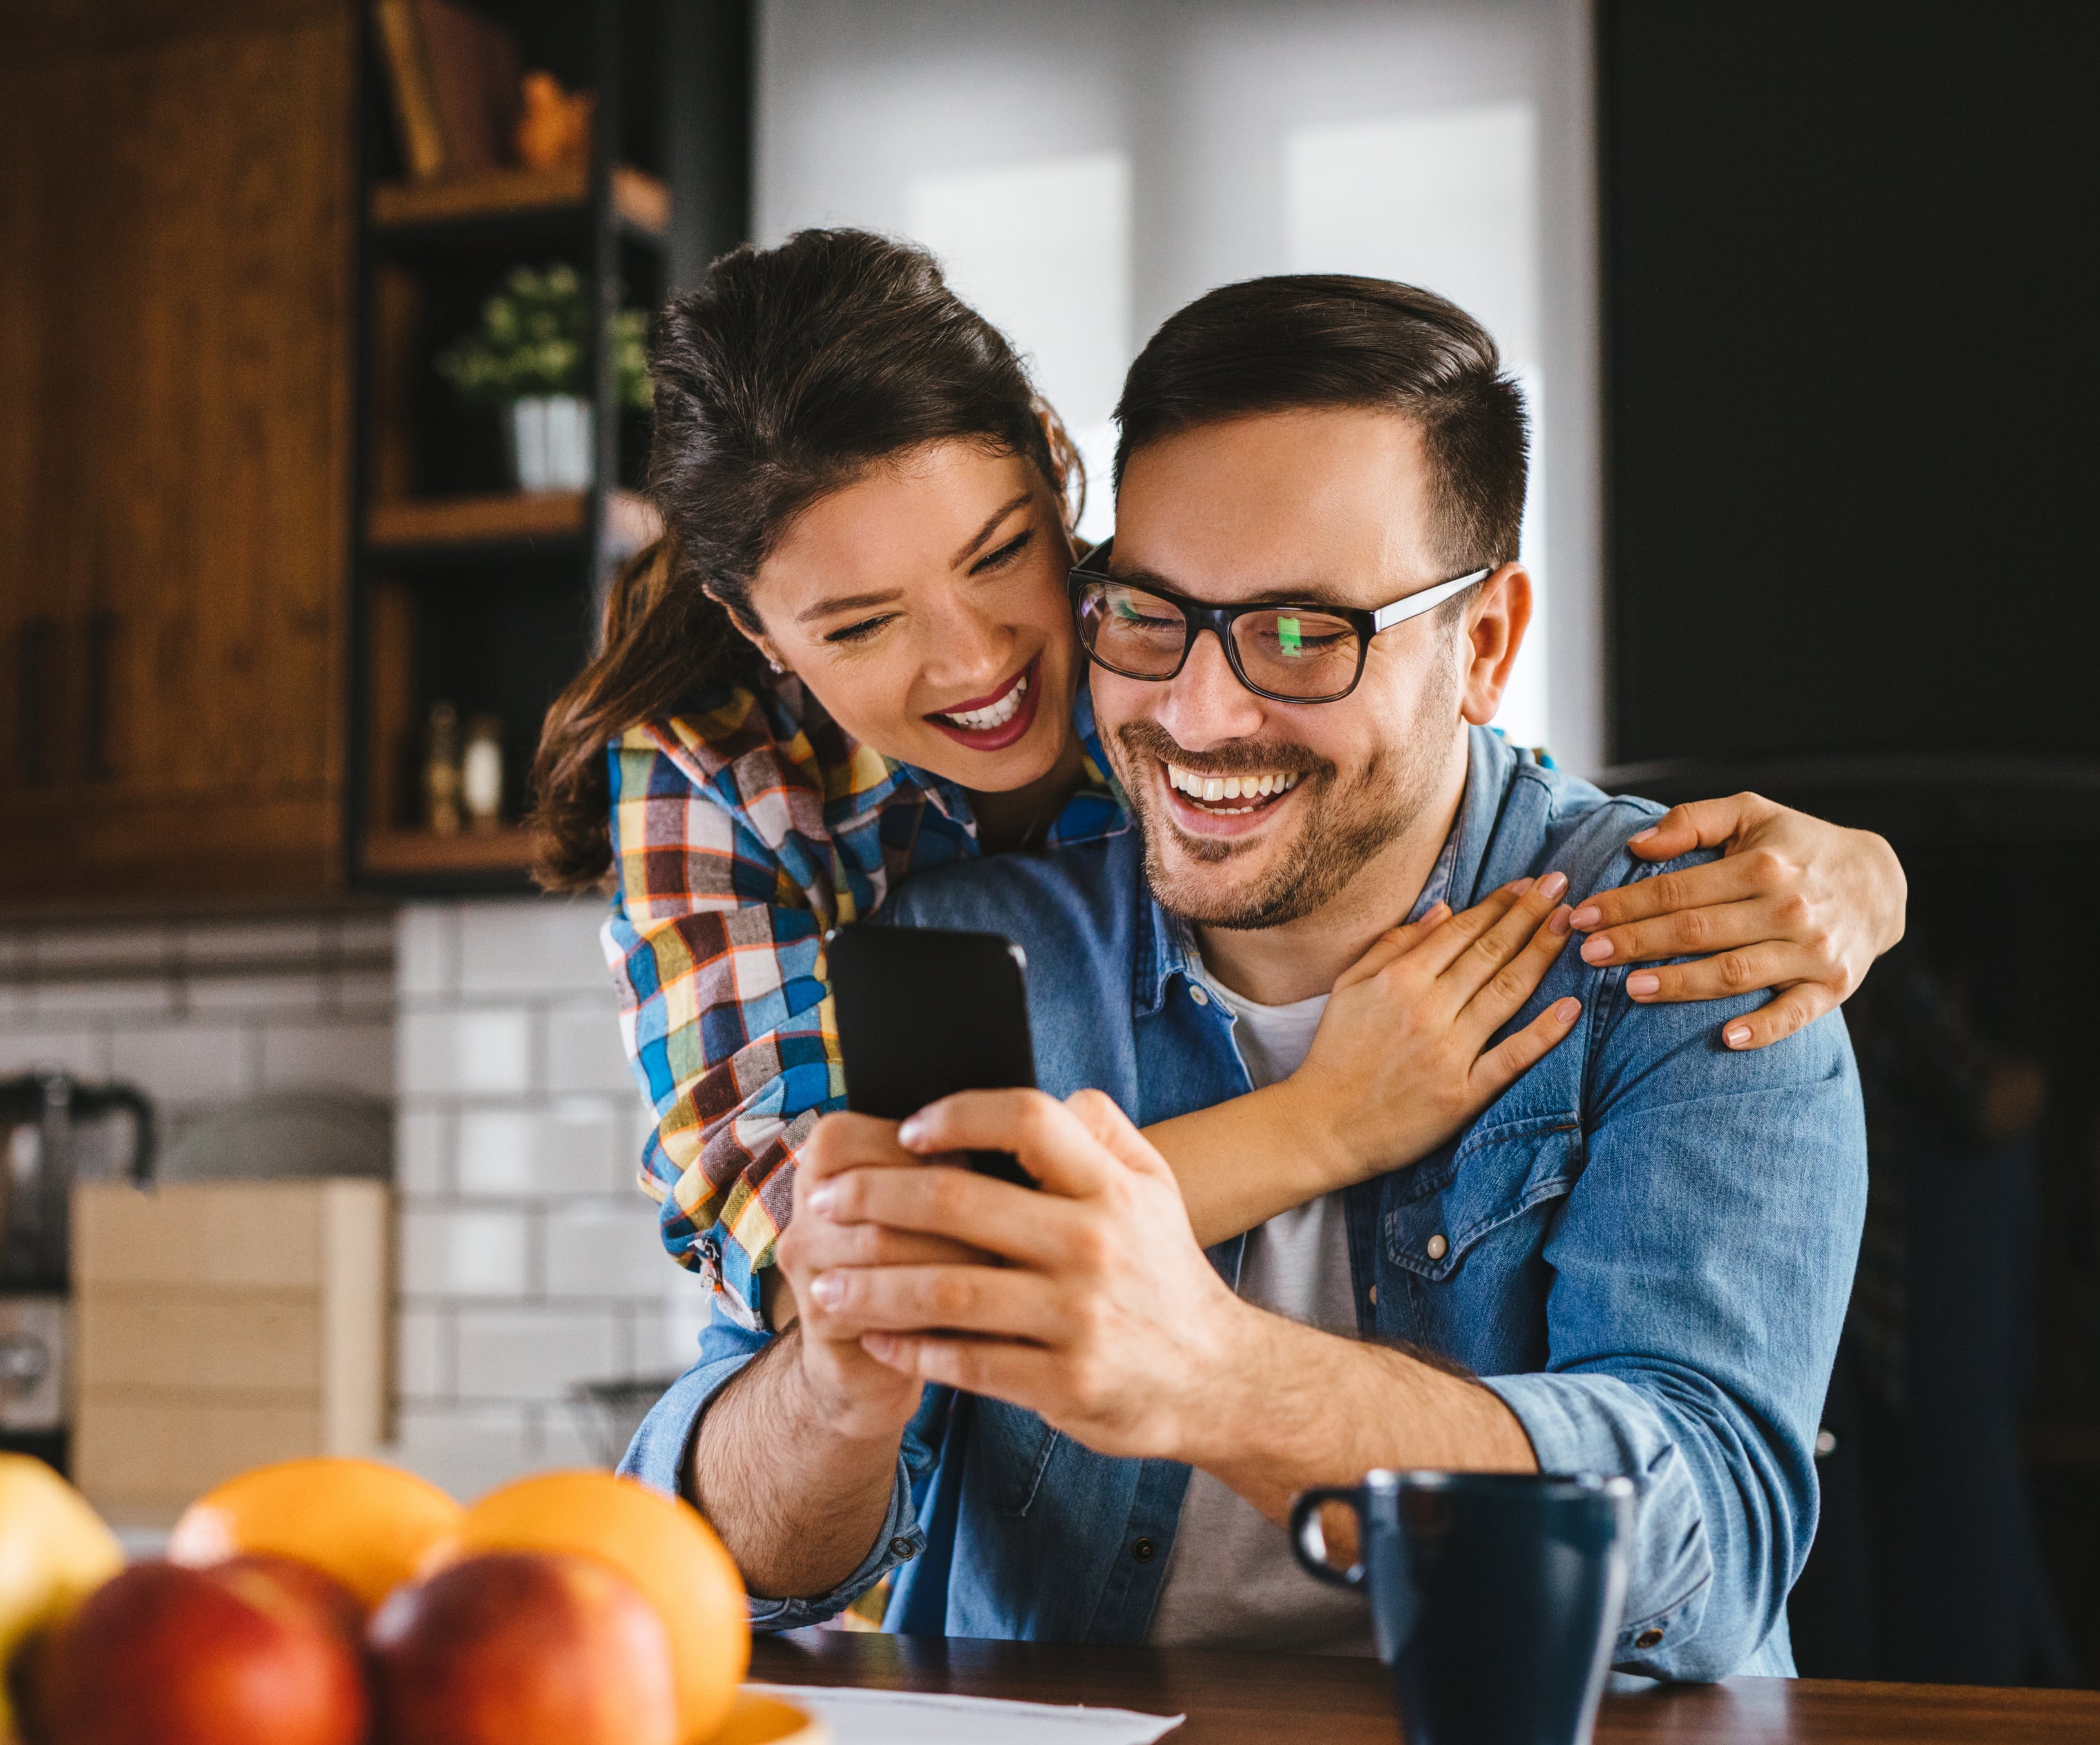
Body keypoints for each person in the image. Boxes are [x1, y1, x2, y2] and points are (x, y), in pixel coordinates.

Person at [623, 275, 1867, 1680]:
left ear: (1488, 646)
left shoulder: (1699, 936)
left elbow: (1714, 1540)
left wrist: (1221, 1380)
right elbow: (730, 1562)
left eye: (1304, 634)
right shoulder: (946, 944)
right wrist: (833, 1399)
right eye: (1147, 614)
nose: (1202, 716)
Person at [530, 229, 1904, 1330]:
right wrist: (1320, 1126)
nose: (980, 663)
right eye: (858, 626)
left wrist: (1866, 873)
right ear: (757, 628)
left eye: (1003, 553)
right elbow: (832, 1266)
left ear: (1057, 475)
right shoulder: (714, 780)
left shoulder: (1153, 638)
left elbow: (1418, 768)